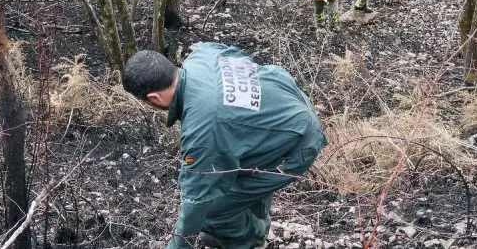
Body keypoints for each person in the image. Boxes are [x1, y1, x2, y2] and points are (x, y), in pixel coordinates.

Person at [123, 43, 328, 249]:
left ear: (154, 98)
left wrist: (177, 246)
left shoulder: (204, 129)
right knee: (232, 176)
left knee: (212, 211)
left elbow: (197, 200)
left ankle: (249, 241)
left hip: (298, 141)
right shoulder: (203, 55)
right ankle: (247, 226)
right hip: (286, 102)